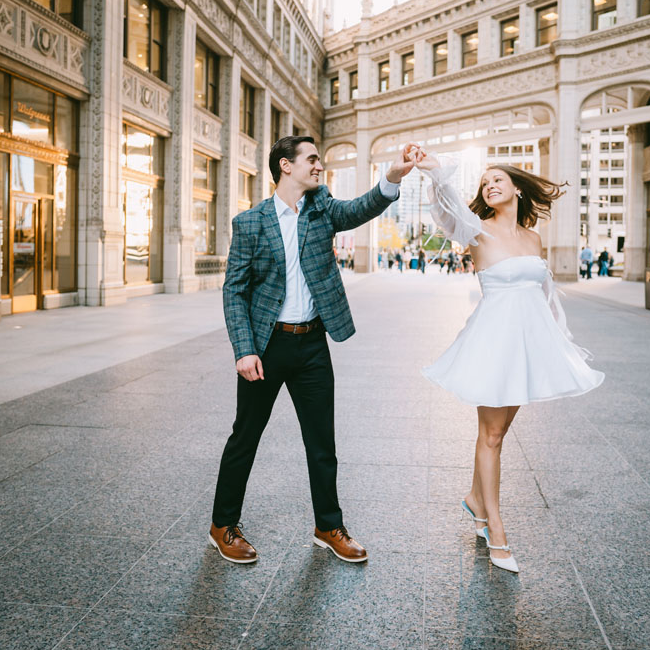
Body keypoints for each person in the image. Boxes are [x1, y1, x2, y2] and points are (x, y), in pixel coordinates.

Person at [210, 136, 419, 565]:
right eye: (312, 160)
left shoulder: (321, 208)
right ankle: (222, 525)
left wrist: (392, 177)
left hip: (312, 345)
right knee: (244, 438)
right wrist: (244, 349)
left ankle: (328, 526)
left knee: (322, 442)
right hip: (265, 347)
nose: (319, 166)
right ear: (285, 166)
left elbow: (359, 208)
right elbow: (234, 291)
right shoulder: (249, 222)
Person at [414, 150, 604, 573]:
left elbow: (546, 294)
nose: (490, 186)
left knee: (497, 431)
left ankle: (475, 498)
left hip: (530, 343)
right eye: (485, 184)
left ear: (517, 188)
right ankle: (495, 528)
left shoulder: (533, 239)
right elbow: (447, 209)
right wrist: (434, 171)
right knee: (493, 436)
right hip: (494, 341)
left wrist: (561, 342)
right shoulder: (476, 230)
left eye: (498, 179)